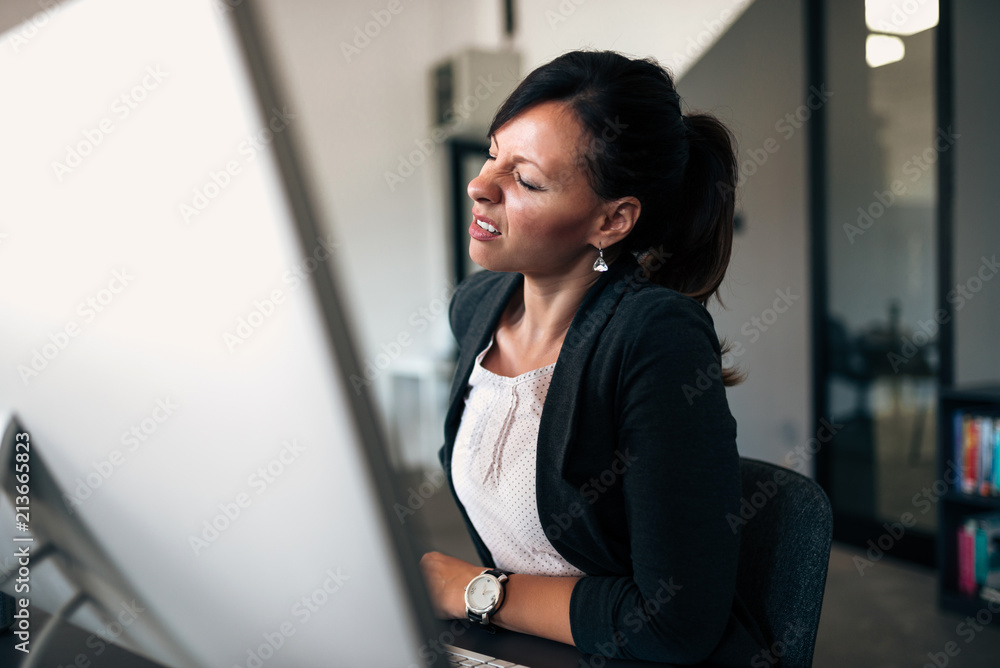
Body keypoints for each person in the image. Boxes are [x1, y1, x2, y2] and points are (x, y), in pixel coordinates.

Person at [419, 50, 767, 665]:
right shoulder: (477, 307)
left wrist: (469, 589)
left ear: (612, 220)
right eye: (494, 153)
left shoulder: (656, 339)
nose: (479, 185)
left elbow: (674, 623)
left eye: (525, 180)